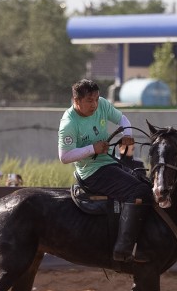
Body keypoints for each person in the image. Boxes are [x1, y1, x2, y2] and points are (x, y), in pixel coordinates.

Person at [59, 78, 151, 262]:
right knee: (140, 191)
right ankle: (123, 249)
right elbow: (65, 157)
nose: (94, 104)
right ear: (76, 101)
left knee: (145, 182)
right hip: (91, 172)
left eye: (96, 99)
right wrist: (93, 148)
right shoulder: (69, 124)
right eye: (89, 101)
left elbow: (123, 119)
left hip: (108, 163)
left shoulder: (101, 104)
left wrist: (127, 134)